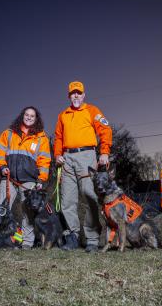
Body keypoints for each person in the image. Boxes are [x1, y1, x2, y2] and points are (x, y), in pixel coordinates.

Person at [54, 81, 113, 252]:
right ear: (69, 95)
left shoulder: (92, 110)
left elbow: (105, 130)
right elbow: (58, 137)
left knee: (90, 197)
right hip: (67, 158)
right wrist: (58, 155)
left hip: (87, 156)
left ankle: (92, 239)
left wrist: (104, 152)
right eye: (73, 93)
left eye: (79, 93)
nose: (76, 96)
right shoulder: (63, 114)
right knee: (67, 200)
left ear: (84, 94)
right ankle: (72, 236)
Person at [0, 106, 51, 249]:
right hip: (9, 178)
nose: (29, 117)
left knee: (28, 212)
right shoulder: (9, 133)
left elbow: (44, 160)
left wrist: (41, 179)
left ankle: (26, 242)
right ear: (22, 116)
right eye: (27, 115)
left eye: (32, 116)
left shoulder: (41, 137)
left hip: (30, 181)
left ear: (36, 118)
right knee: (2, 209)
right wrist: (1, 166)